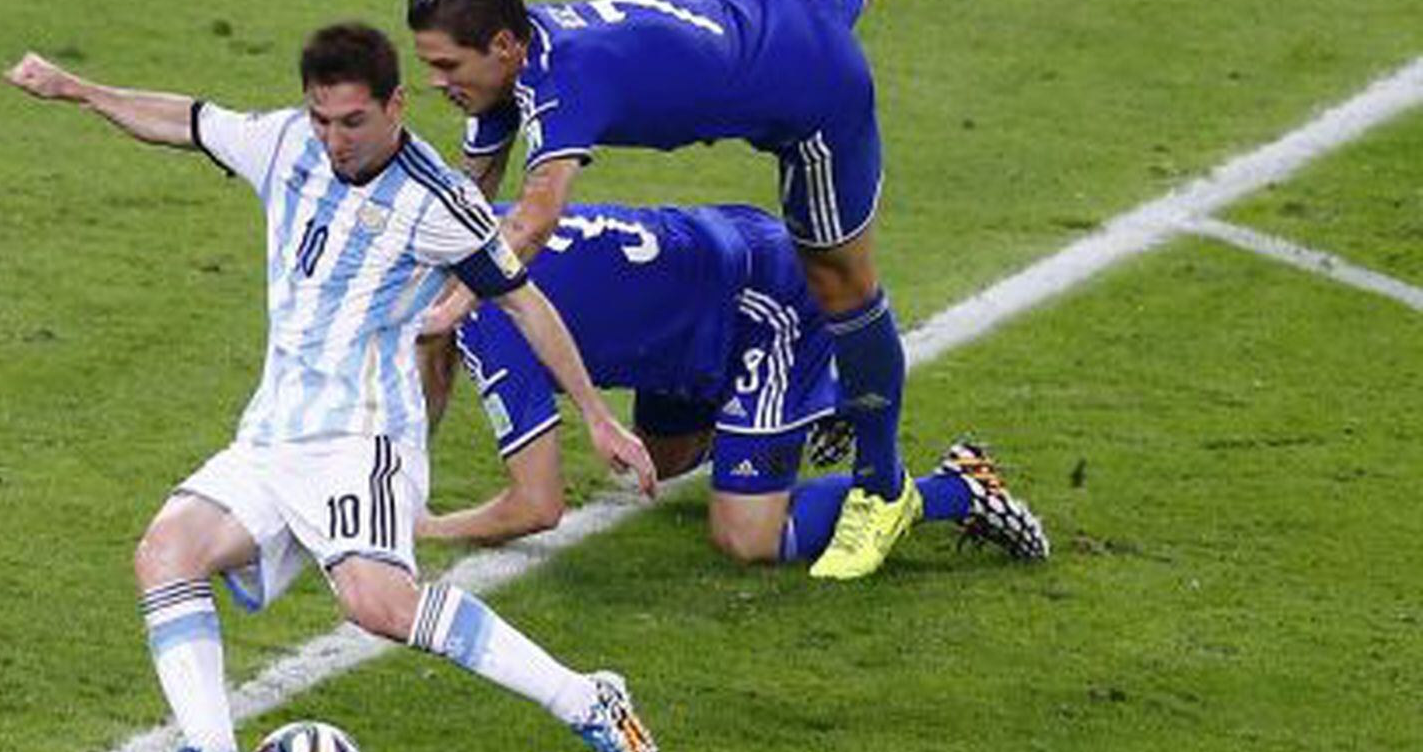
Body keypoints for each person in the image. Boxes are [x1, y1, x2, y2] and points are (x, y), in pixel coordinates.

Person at [404, 0, 1063, 580]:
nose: (437, 83)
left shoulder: (560, 83)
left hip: (809, 95)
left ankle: (891, 485)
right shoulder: (515, 66)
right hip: (762, 2)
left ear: (501, 45)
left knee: (844, 288)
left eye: (447, 67)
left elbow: (532, 218)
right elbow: (469, 198)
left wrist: (446, 308)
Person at [0, 23, 660, 752]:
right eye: (322, 117)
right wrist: (79, 90)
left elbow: (526, 302)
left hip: (362, 437)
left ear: (395, 105)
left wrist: (596, 415)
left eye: (352, 121)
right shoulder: (286, 143)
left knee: (376, 602)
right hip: (272, 432)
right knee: (166, 551)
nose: (334, 138)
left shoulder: (438, 200)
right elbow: (188, 119)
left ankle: (587, 697)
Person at [417, 201, 1050, 566]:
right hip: (689, 310)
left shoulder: (482, 319)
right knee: (662, 461)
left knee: (747, 539)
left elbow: (537, 506)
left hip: (767, 298)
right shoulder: (479, 236)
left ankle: (956, 488)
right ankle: (804, 407)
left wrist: (423, 529)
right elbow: (426, 380)